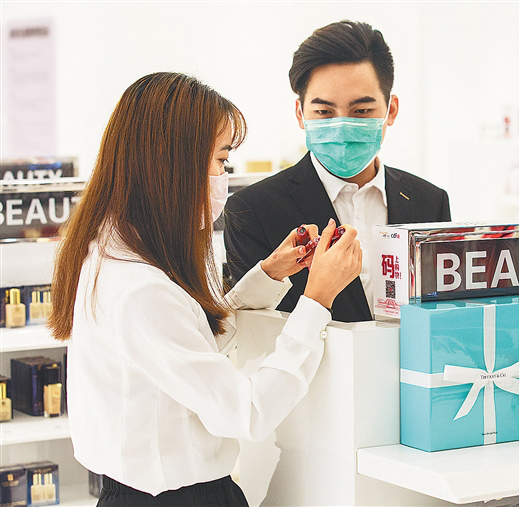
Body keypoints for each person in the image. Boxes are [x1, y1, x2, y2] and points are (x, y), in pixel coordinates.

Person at [47, 72, 362, 506]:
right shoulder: (141, 289)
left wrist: (269, 275)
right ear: (173, 163)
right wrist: (317, 300)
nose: (223, 177)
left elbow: (189, 342)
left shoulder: (111, 253)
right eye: (221, 161)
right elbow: (248, 412)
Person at [224, 20, 451, 323]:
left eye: (362, 111)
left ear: (391, 110)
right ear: (300, 114)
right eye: (324, 112)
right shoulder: (252, 211)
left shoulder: (429, 201)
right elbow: (251, 330)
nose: (342, 125)